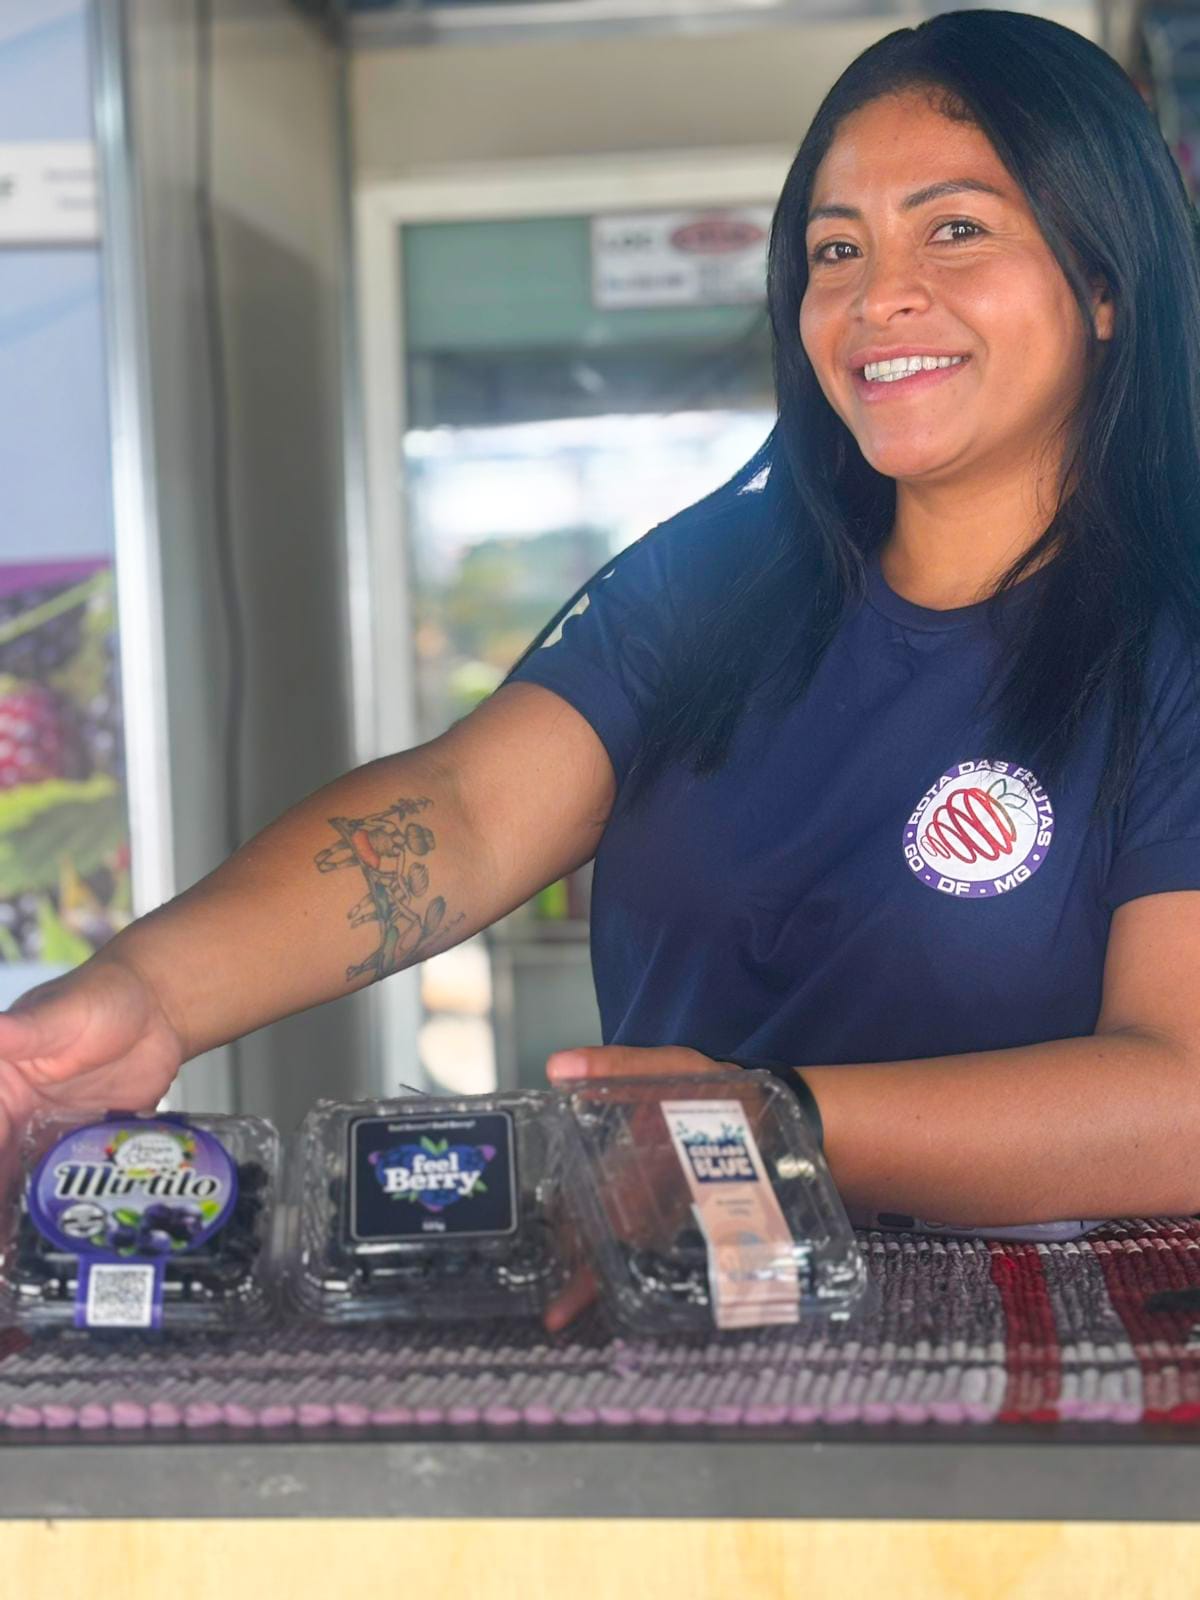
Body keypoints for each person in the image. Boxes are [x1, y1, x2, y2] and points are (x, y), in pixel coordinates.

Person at [3, 11, 1200, 1303]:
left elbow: (1179, 1097)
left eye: (955, 228)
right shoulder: (713, 585)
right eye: (836, 248)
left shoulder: (1174, 640)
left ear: (1105, 283)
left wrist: (771, 1124)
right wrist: (148, 994)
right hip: (688, 1337)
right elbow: (461, 818)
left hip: (1063, 1368)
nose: (877, 295)